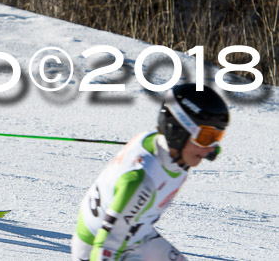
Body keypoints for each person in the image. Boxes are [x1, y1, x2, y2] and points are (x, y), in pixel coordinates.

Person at [71, 83, 230, 260]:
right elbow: (105, 247)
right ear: (178, 129)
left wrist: (207, 144)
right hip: (99, 244)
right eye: (206, 137)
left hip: (137, 234)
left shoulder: (168, 148)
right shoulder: (142, 181)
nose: (210, 149)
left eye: (217, 138)